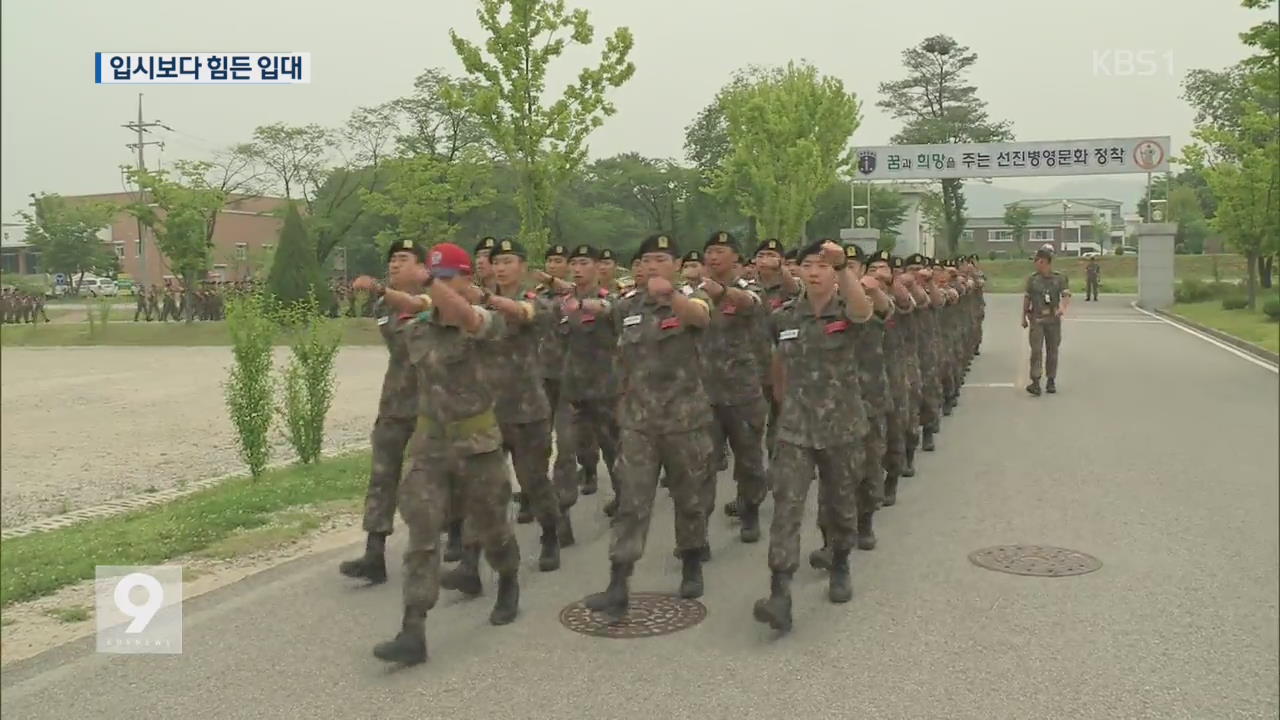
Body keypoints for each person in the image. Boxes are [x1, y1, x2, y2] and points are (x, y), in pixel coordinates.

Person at [356, 242, 522, 666]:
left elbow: (466, 316)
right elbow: (412, 309)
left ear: (469, 280)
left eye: (451, 277)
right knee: (423, 536)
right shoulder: (415, 329)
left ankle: (507, 578)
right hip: (430, 446)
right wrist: (392, 291)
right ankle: (413, 629)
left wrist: (429, 282)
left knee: (492, 528)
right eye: (437, 277)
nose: (443, 286)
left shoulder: (488, 322)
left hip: (479, 445)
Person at [586, 233, 714, 622]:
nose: (653, 265)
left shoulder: (694, 296)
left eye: (662, 258)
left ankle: (691, 560)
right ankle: (618, 583)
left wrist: (670, 297)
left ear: (675, 265)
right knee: (632, 504)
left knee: (689, 497)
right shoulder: (626, 307)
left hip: (685, 421)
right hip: (639, 423)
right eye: (647, 259)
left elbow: (701, 317)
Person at [753, 240, 874, 633]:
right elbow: (776, 363)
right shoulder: (784, 316)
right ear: (800, 271)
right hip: (795, 429)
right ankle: (779, 592)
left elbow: (863, 310)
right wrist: (781, 400)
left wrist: (844, 270)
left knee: (840, 503)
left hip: (842, 427)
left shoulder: (848, 308)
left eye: (823, 265)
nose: (815, 271)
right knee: (786, 506)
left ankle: (839, 562)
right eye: (808, 265)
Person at [338, 239, 426, 585]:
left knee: (432, 479)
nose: (394, 265)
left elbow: (417, 305)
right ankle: (374, 554)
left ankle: (460, 542)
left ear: (422, 266)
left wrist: (378, 288)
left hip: (433, 403)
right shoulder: (383, 306)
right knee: (382, 476)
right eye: (391, 260)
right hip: (395, 403)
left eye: (403, 259)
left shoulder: (439, 300)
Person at [697, 231, 768, 545]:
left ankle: (749, 509)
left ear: (737, 258)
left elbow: (749, 303)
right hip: (703, 393)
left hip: (742, 391)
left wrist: (721, 291)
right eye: (709, 251)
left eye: (720, 251)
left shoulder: (749, 288)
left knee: (749, 458)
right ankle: (695, 535)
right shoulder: (691, 293)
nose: (713, 257)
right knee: (700, 464)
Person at [1023, 248, 1070, 396]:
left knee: (1052, 350)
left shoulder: (1059, 278)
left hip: (1053, 320)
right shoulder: (1032, 279)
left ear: (1043, 261)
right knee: (1036, 350)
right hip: (1037, 319)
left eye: (1036, 260)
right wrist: (1023, 316)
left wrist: (1062, 307)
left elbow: (1066, 294)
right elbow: (1027, 298)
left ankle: (1051, 380)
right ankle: (1035, 381)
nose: (1035, 263)